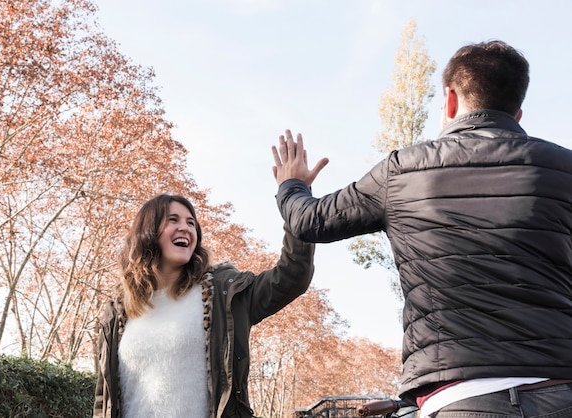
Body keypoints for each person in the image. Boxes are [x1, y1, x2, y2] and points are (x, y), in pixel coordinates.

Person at [270, 40, 572, 417]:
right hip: (560, 393)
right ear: (518, 112)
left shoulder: (403, 171)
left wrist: (292, 185)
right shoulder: (564, 170)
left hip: (458, 399)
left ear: (449, 101)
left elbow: (309, 221)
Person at [93, 193, 315, 417]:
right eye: (173, 220)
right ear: (148, 231)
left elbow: (292, 276)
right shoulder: (118, 312)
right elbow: (104, 399)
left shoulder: (224, 293)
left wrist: (294, 196)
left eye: (191, 223)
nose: (186, 228)